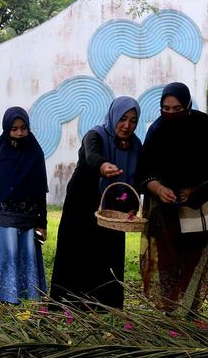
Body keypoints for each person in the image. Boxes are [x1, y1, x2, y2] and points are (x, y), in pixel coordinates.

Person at [137, 82, 208, 317]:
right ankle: (168, 307)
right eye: (165, 108)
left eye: (177, 109)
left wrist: (192, 189)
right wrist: (158, 188)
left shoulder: (205, 126)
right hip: (165, 208)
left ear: (187, 106)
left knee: (195, 255)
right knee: (167, 258)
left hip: (199, 204)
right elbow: (143, 172)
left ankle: (190, 307)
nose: (171, 113)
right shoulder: (156, 131)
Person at [49, 96, 142, 310]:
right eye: (122, 118)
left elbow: (136, 177)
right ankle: (68, 303)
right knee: (77, 250)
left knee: (109, 252)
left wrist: (132, 205)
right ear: (113, 116)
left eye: (133, 120)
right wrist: (103, 166)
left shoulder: (136, 146)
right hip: (83, 201)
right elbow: (91, 155)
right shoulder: (96, 134)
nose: (127, 125)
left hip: (113, 205)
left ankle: (105, 305)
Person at [0, 106, 48, 304]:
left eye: (23, 128)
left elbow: (40, 192)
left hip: (28, 220)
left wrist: (42, 223)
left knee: (26, 258)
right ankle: (2, 297)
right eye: (14, 128)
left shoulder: (35, 152)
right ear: (6, 129)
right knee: (6, 257)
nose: (19, 133)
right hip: (3, 218)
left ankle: (28, 296)